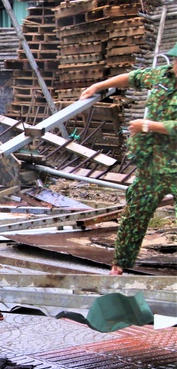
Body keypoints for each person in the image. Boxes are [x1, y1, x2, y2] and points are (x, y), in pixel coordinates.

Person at [80, 43, 177, 276]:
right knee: (134, 215)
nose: (174, 65)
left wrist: (148, 125)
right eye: (174, 61)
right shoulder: (160, 75)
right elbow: (131, 78)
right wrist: (99, 85)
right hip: (151, 165)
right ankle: (119, 265)